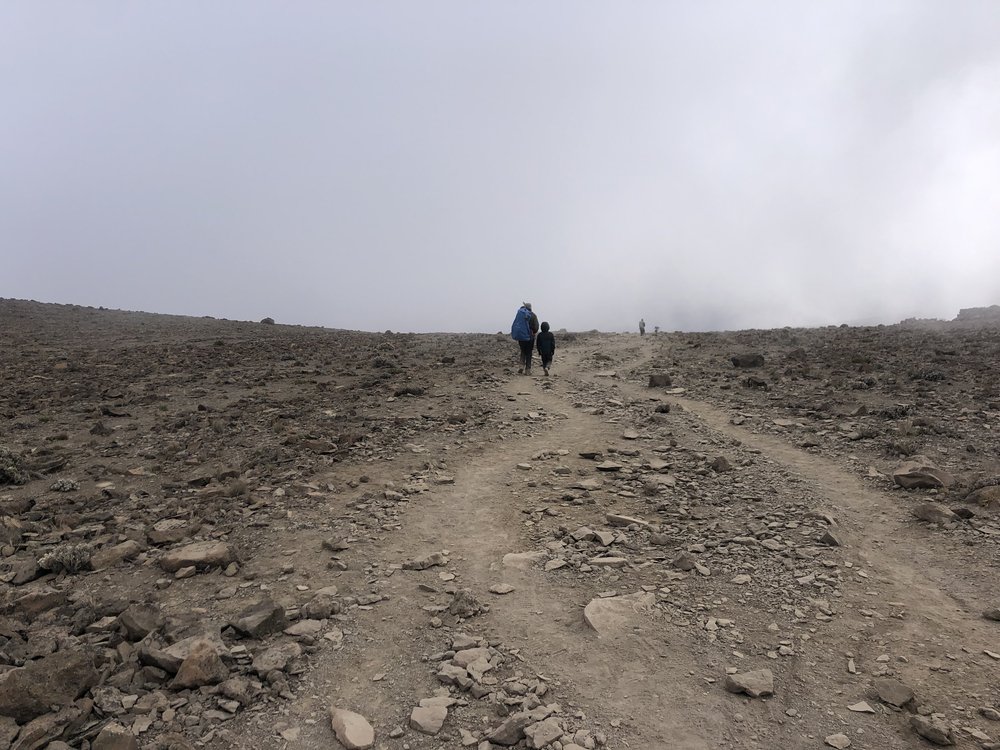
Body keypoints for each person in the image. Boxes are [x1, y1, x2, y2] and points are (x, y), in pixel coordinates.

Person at [510, 302, 539, 374]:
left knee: (523, 351)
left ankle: (521, 366)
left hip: (521, 337)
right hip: (530, 337)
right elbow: (536, 327)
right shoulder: (533, 315)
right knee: (529, 353)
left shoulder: (521, 314)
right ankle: (528, 370)